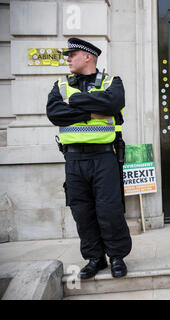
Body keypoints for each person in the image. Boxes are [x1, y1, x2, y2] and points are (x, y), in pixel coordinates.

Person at [46, 38, 132, 279]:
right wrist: (93, 111)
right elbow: (55, 114)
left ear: (87, 56)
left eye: (72, 54)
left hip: (104, 158)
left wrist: (72, 102)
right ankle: (96, 259)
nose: (67, 58)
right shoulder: (60, 84)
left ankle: (116, 256)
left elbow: (113, 103)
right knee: (82, 212)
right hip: (73, 161)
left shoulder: (111, 82)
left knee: (110, 210)